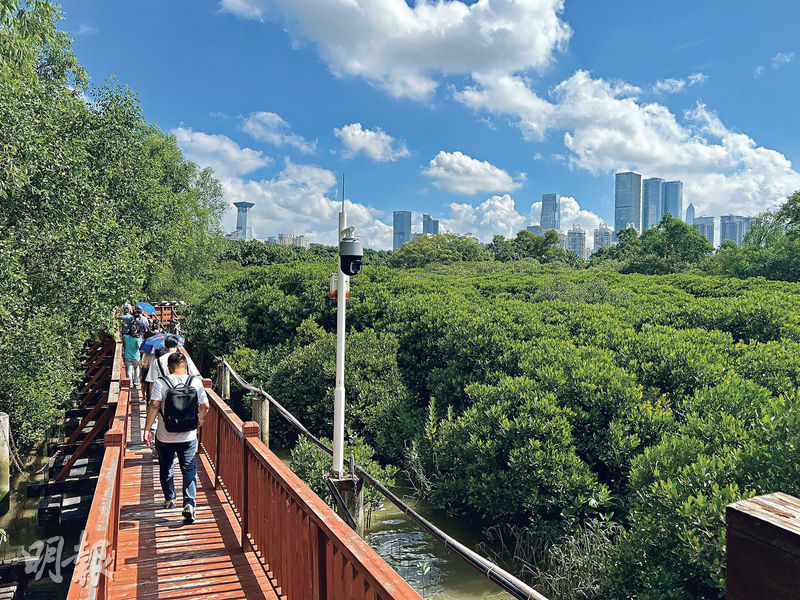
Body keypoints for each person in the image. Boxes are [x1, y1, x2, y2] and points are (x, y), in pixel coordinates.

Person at [144, 352, 208, 523]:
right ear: (185, 365)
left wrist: (147, 429)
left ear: (168, 367)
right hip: (188, 436)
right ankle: (189, 503)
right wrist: (199, 420)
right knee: (189, 469)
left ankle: (170, 498)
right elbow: (205, 405)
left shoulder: (161, 382)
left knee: (166, 467)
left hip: (165, 436)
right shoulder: (195, 382)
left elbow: (154, 405)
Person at [122, 322, 142, 387]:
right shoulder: (137, 339)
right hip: (136, 356)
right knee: (137, 368)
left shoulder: (125, 337)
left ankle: (130, 383)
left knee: (129, 370)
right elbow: (139, 347)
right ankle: (136, 381)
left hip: (127, 355)